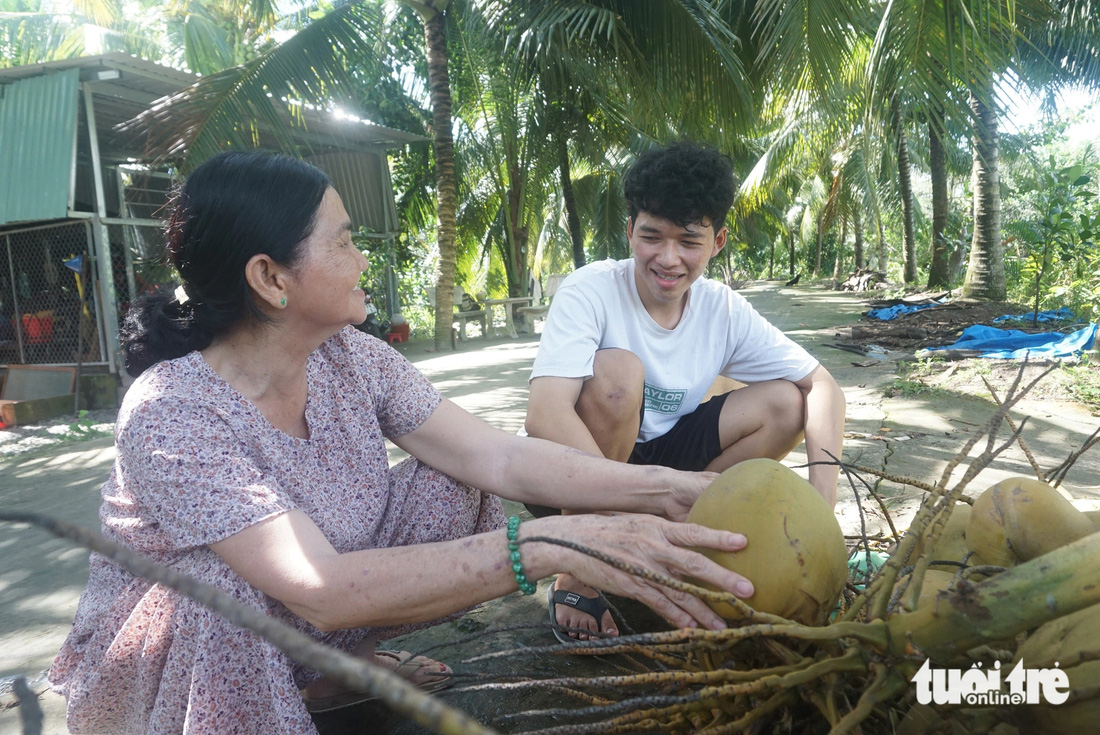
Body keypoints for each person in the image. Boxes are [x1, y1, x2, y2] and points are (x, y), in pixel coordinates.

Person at [47, 151, 754, 735]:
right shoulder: (171, 411)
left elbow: (496, 455)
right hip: (180, 663)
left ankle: (333, 669)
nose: (362, 257)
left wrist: (663, 488)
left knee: (454, 476)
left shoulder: (349, 356)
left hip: (306, 615)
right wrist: (554, 545)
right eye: (344, 239)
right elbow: (316, 586)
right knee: (218, 582)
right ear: (269, 278)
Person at [524, 141, 846, 642]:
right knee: (617, 376)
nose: (668, 259)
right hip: (578, 474)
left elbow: (822, 384)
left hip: (669, 470)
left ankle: (684, 538)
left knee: (786, 401)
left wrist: (823, 512)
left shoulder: (723, 310)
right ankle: (580, 563)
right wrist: (631, 503)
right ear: (629, 231)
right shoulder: (590, 290)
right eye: (652, 236)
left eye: (689, 242)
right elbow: (544, 415)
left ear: (717, 242)